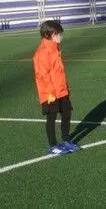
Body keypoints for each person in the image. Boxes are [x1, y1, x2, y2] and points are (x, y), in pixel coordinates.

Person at [33, 20, 80, 155]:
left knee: (67, 114)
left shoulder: (56, 48)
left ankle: (66, 140)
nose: (61, 37)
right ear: (53, 34)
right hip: (50, 93)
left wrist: (65, 87)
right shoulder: (42, 52)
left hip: (61, 90)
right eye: (60, 34)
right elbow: (42, 75)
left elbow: (59, 71)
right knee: (51, 118)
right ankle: (53, 145)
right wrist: (50, 93)